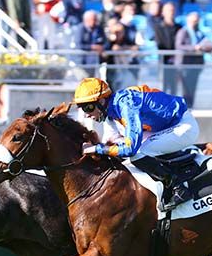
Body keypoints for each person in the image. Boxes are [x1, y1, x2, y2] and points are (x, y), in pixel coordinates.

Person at [73, 77, 199, 210]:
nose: (86, 115)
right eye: (82, 109)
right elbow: (110, 144)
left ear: (101, 101)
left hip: (182, 125)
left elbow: (130, 149)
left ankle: (177, 186)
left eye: (88, 107)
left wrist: (97, 148)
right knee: (120, 148)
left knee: (138, 152)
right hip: (161, 128)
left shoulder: (126, 105)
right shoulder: (110, 113)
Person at [174, 12, 212, 108]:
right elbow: (179, 45)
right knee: (185, 89)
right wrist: (194, 48)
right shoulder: (183, 32)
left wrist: (206, 47)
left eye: (197, 21)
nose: (195, 23)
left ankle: (190, 107)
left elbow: (206, 43)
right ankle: (184, 109)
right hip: (185, 64)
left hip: (196, 64)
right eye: (193, 21)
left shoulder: (199, 33)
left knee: (192, 88)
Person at [154, 2, 181, 94]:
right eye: (169, 10)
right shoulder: (158, 27)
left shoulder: (179, 27)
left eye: (173, 10)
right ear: (163, 12)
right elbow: (160, 43)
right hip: (164, 61)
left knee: (174, 88)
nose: (171, 12)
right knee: (163, 87)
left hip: (176, 62)